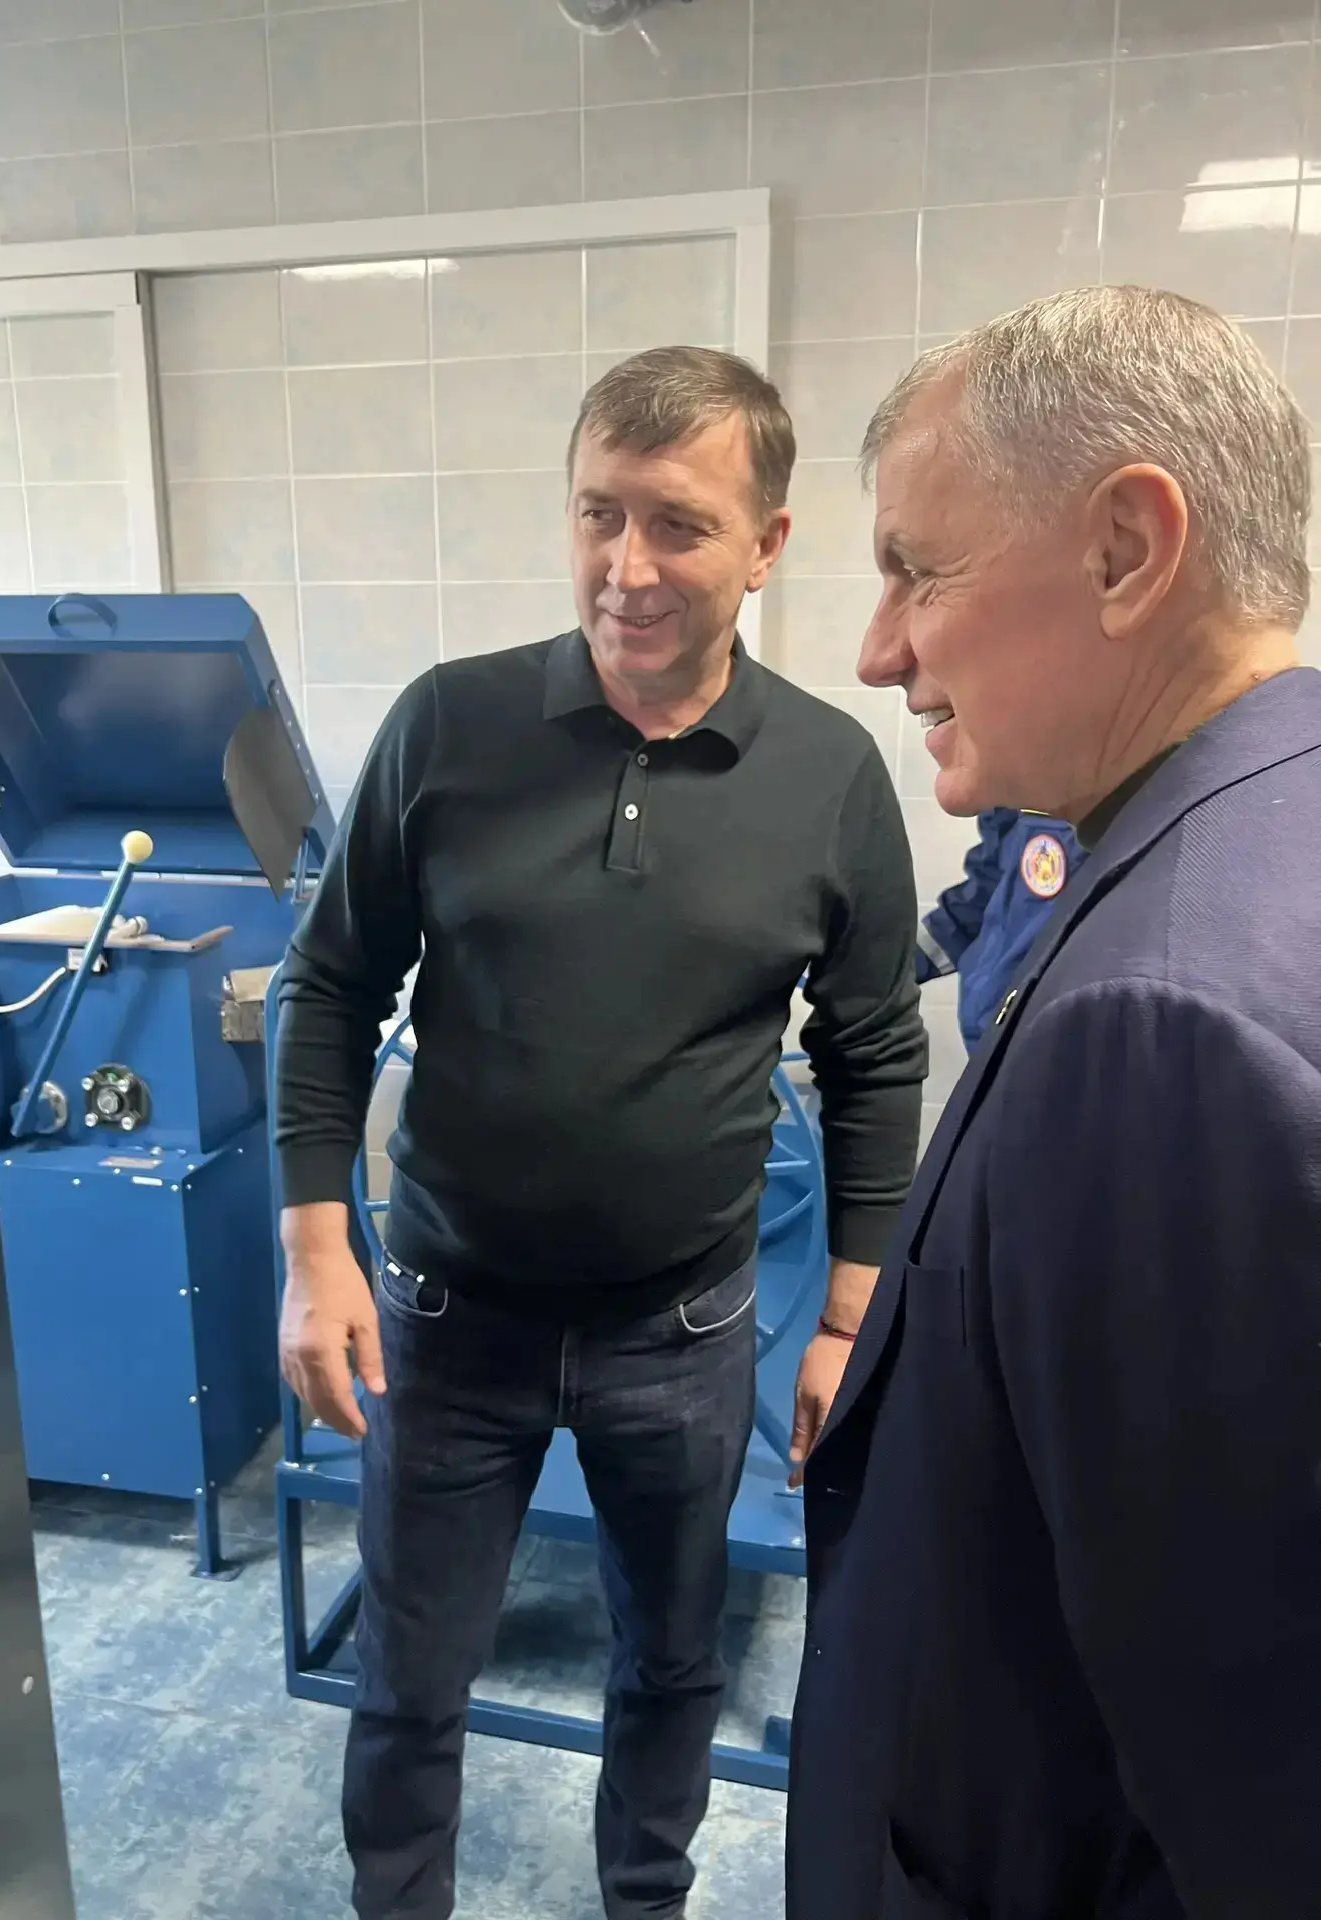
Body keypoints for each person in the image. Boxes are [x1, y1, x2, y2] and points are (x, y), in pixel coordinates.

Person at [272, 345, 928, 1920]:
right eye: (598, 514)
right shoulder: (449, 726)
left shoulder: (832, 776)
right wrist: (315, 1247)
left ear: (767, 545)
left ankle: (647, 1899)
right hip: (449, 1319)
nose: (626, 568)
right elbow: (330, 983)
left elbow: (875, 1056)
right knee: (410, 1679)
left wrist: (848, 1316)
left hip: (682, 1335)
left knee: (673, 1666)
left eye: (678, 525)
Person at [788, 286, 1321, 1920]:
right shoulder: (1265, 823)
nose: (880, 650)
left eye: (918, 571)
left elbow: (1255, 1788)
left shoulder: (1163, 1022)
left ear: (1125, 552)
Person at [916, 806, 1085, 1048]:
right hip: (991, 1036)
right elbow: (988, 890)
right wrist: (894, 964)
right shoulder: (1012, 802)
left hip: (1052, 1044)